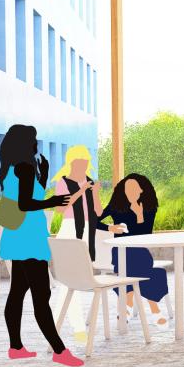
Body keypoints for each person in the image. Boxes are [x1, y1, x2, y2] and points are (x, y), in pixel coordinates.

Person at [0, 125, 86, 366]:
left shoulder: (10, 168)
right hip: (29, 239)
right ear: (26, 143)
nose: (36, 143)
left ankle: (16, 347)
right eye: (33, 139)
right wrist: (54, 200)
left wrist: (43, 175)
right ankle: (59, 351)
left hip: (16, 236)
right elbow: (26, 204)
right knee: (41, 294)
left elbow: (23, 197)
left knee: (17, 293)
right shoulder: (24, 168)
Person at [48, 145, 106, 344]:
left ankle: (57, 324)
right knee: (69, 281)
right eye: (79, 161)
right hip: (70, 231)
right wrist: (80, 191)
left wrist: (95, 193)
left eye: (85, 161)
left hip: (86, 233)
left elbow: (97, 212)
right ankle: (77, 327)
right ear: (71, 162)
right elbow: (59, 209)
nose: (83, 165)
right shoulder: (63, 183)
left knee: (73, 281)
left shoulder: (89, 182)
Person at [97, 173, 169, 329]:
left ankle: (126, 306)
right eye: (127, 188)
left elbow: (146, 235)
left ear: (141, 190)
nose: (130, 191)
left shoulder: (148, 207)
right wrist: (110, 227)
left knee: (132, 271)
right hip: (120, 252)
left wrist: (139, 215)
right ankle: (155, 310)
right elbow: (94, 219)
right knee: (154, 273)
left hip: (140, 252)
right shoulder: (116, 205)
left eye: (133, 188)